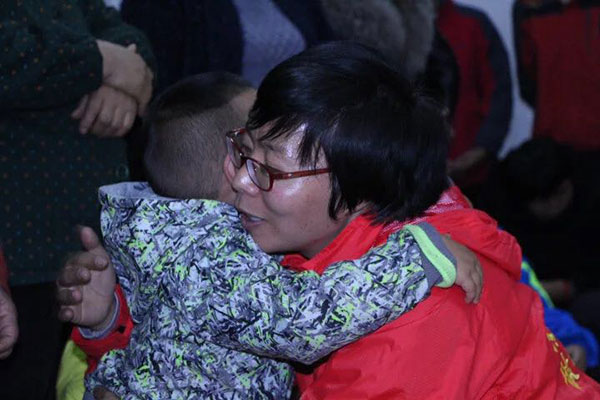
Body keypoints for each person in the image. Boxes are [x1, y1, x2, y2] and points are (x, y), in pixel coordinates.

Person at [59, 42, 600, 398]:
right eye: (241, 150)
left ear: (359, 191)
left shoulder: (412, 321)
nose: (238, 182)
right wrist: (112, 322)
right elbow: (203, 345)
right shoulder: (293, 246)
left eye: (268, 169)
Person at [0, 1, 154, 398]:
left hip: (96, 249)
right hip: (20, 253)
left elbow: (126, 34)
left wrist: (124, 76)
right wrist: (102, 62)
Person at [433, 0, 512, 197]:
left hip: (475, 171)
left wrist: (482, 148)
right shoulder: (394, 28)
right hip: (411, 179)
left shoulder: (473, 23)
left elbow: (498, 92)